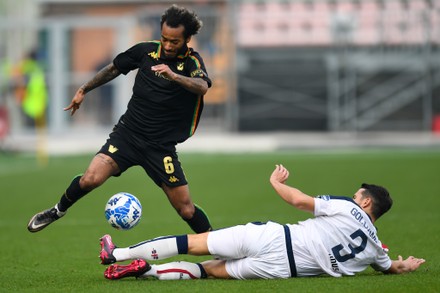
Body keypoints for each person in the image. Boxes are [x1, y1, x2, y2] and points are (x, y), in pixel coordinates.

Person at [27, 5, 213, 234]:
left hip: (160, 147)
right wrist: (84, 89)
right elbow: (114, 68)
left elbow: (202, 87)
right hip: (128, 135)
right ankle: (56, 210)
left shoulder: (192, 62)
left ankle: (217, 245)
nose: (167, 45)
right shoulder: (145, 52)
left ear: (187, 39)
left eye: (174, 41)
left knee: (185, 209)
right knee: (90, 179)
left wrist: (174, 76)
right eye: (164, 38)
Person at [98, 165, 425, 280]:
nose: (354, 198)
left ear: (366, 202)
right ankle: (148, 271)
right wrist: (406, 264)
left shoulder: (346, 207)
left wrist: (276, 182)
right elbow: (390, 267)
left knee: (193, 243)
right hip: (281, 270)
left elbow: (299, 201)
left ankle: (118, 255)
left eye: (358, 196)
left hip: (272, 238)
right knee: (208, 272)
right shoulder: (375, 249)